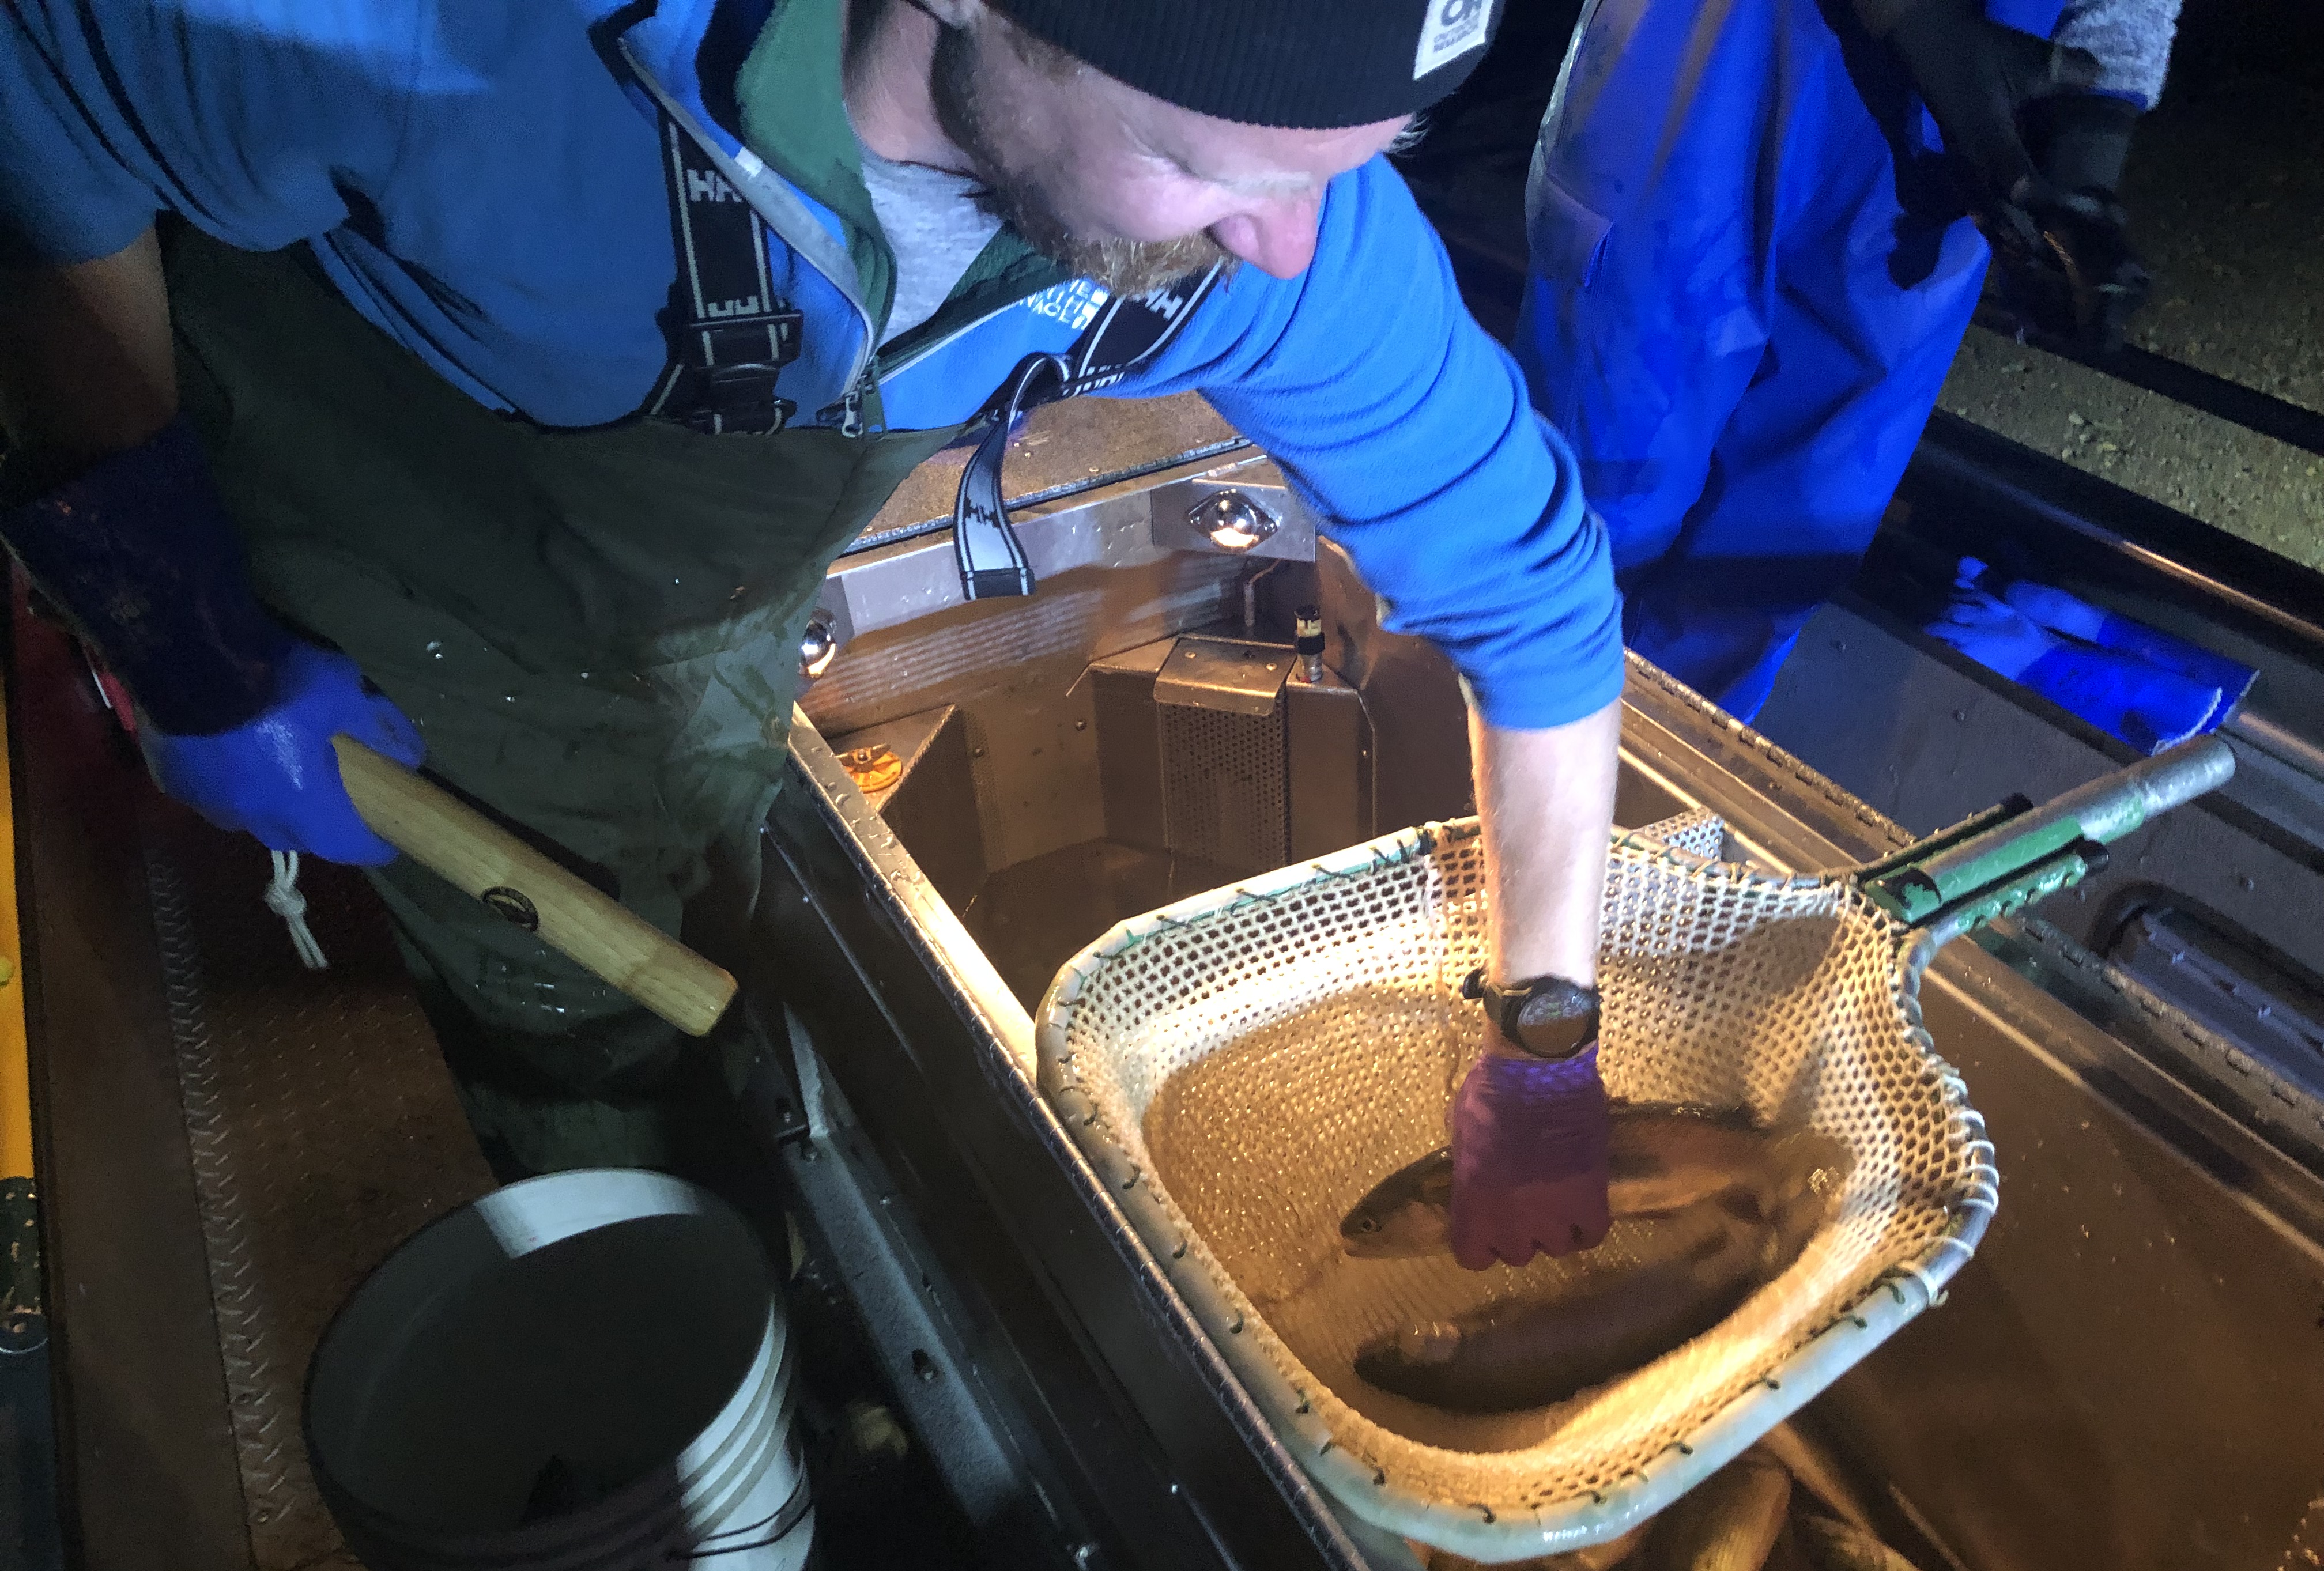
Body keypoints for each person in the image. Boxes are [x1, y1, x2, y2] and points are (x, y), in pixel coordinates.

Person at [2, 0, 1620, 1268]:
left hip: (693, 559)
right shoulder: (447, 36)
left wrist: (1544, 1044)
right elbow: (43, 101)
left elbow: (1537, 609)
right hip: (397, 485)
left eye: (1356, 158)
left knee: (687, 861)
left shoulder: (1284, 231)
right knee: (564, 1003)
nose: (1288, 239)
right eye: (1213, 167)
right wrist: (177, 621)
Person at [1514, 0, 2182, 723]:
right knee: (1590, 506)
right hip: (1727, 40)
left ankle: (1665, 810)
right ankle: (1458, 784)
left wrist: (2090, 137)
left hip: (1959, 106)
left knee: (1782, 549)